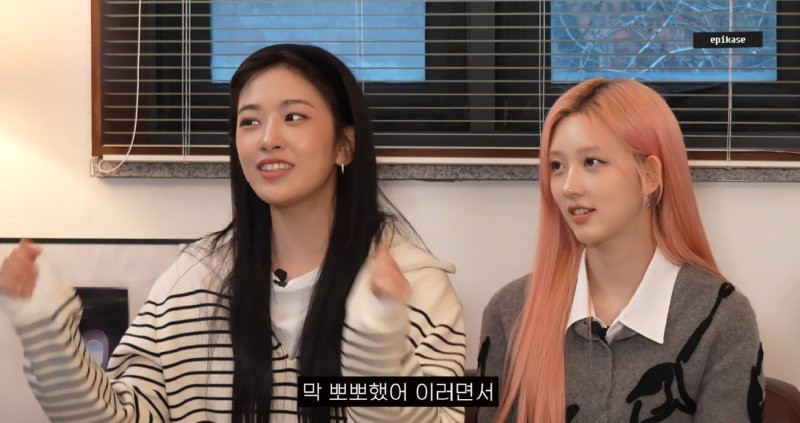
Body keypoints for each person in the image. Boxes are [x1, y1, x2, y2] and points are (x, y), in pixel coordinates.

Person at [0, 44, 466, 422]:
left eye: (294, 116)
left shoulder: (415, 287)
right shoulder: (192, 280)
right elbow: (120, 416)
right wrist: (45, 332)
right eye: (249, 122)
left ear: (344, 145)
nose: (267, 138)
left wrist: (376, 338)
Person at [477, 78, 764, 423]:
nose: (568, 187)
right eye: (557, 166)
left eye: (592, 161)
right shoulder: (510, 312)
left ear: (650, 176)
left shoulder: (723, 319)